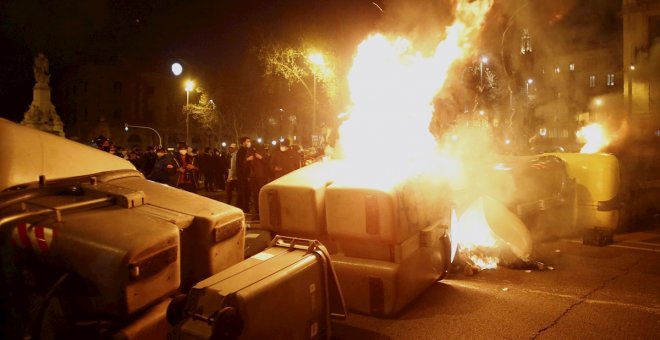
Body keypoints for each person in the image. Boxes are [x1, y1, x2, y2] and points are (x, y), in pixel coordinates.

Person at [247, 144, 270, 217]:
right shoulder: (250, 152)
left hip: (262, 177)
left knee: (261, 194)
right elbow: (245, 165)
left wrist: (261, 158)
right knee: (255, 195)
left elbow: (268, 163)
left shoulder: (263, 152)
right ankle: (257, 211)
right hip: (254, 177)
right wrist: (247, 160)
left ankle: (262, 210)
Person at [236, 137, 252, 213]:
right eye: (247, 141)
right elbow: (240, 164)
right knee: (244, 192)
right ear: (243, 143)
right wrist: (247, 160)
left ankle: (240, 206)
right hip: (242, 175)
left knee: (244, 192)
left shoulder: (246, 150)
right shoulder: (241, 151)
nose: (249, 143)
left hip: (244, 175)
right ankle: (245, 208)